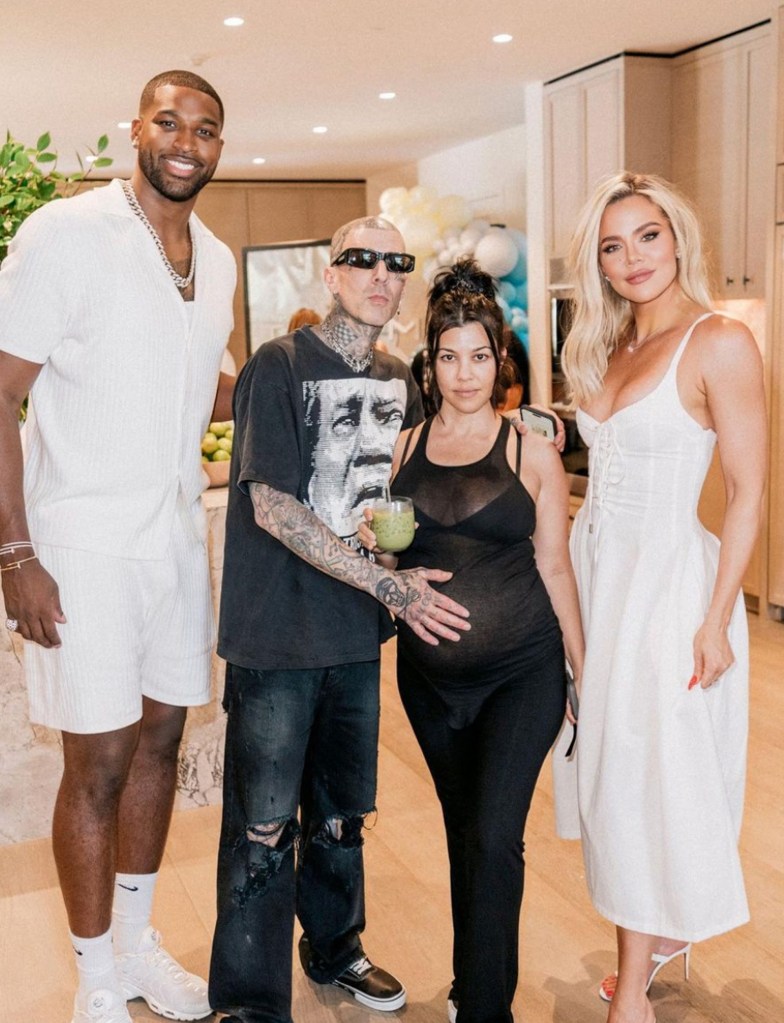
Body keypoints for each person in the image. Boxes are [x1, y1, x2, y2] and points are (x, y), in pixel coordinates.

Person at [0, 71, 236, 1023]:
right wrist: (14, 553)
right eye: (168, 122)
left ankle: (139, 951)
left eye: (206, 129)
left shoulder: (214, 259)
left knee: (160, 745)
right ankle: (95, 975)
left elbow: (203, 386)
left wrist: (327, 374)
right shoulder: (66, 234)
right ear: (135, 128)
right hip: (79, 543)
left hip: (176, 541)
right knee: (95, 761)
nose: (185, 142)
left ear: (223, 146)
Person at [210, 216, 472, 1023]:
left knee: (338, 812)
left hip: (356, 637)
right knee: (262, 823)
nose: (381, 274)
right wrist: (388, 586)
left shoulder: (403, 378)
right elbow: (272, 506)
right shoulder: (278, 365)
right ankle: (252, 1001)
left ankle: (335, 948)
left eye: (397, 262)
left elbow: (411, 492)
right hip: (276, 634)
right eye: (361, 258)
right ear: (330, 274)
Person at [558, 171, 766, 1023]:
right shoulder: (607, 347)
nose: (632, 257)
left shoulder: (718, 341)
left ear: (678, 236)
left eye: (647, 235)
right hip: (602, 586)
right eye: (612, 245)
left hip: (668, 593)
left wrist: (716, 621)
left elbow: (750, 490)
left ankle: (634, 994)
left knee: (649, 779)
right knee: (611, 776)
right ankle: (653, 947)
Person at [360, 259, 585, 1023]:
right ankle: (468, 988)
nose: (465, 372)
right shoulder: (402, 449)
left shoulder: (533, 450)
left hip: (523, 672)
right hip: (429, 686)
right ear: (432, 363)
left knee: (494, 839)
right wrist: (385, 562)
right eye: (449, 356)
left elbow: (556, 566)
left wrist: (582, 676)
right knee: (466, 836)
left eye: (480, 356)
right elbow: (388, 564)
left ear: (502, 361)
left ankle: (486, 1009)